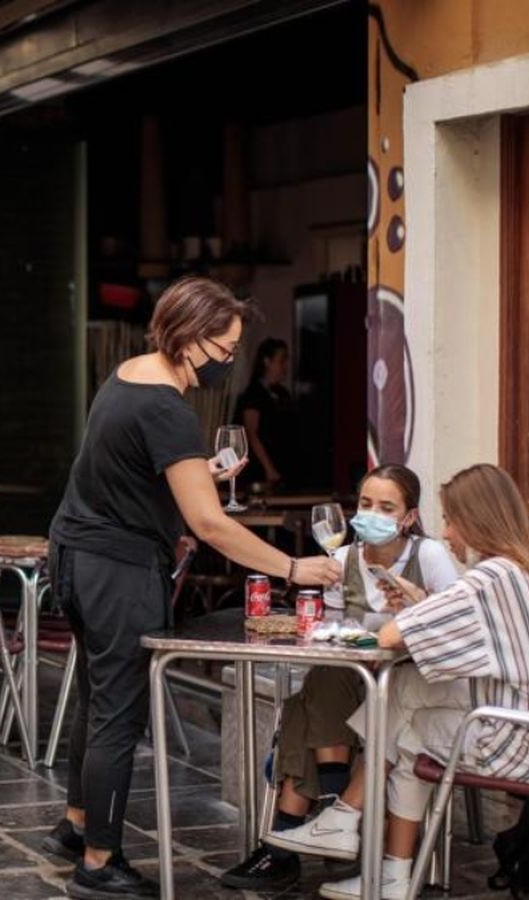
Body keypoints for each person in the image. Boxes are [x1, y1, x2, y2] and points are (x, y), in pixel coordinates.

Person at [44, 276, 343, 899]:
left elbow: (123, 474)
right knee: (117, 713)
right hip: (117, 571)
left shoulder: (129, 376)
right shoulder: (168, 408)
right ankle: (99, 862)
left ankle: (77, 825)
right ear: (187, 337)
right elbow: (210, 525)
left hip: (77, 555)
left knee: (97, 699)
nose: (230, 363)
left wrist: (197, 474)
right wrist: (293, 569)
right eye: (225, 349)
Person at [264, 463, 529, 899]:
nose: (448, 533)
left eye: (453, 520)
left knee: (407, 725)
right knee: (405, 694)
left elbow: (388, 636)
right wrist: (422, 603)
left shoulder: (489, 577)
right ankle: (367, 848)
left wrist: (415, 611)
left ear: (477, 521)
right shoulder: (528, 565)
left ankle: (358, 836)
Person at [220, 464, 459, 891]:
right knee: (321, 683)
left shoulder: (430, 557)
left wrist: (413, 606)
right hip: (356, 682)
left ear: (408, 517)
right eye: (366, 504)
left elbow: (454, 628)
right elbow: (329, 636)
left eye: (387, 507)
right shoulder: (342, 560)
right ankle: (332, 808)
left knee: (305, 704)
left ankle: (288, 845)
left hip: (413, 686)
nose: (373, 514)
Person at [234, 338, 293, 490]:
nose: (285, 367)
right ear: (267, 361)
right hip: (260, 472)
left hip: (283, 467)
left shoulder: (282, 393)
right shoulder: (253, 394)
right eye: (281, 360)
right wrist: (269, 469)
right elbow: (251, 433)